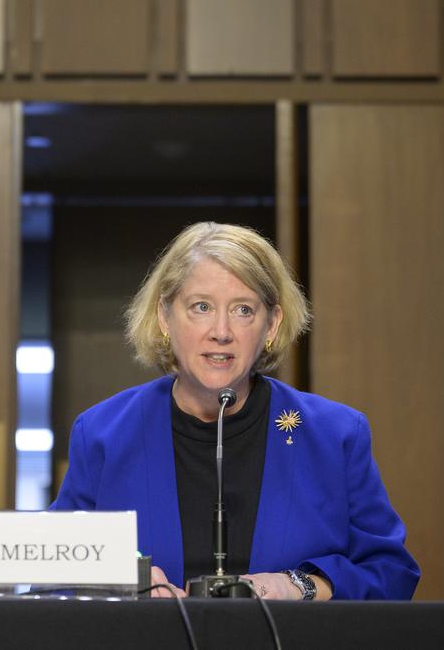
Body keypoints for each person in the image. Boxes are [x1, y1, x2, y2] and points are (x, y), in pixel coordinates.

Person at [51, 222, 419, 600]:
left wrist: (299, 586)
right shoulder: (103, 434)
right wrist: (116, 580)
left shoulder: (335, 434)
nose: (221, 331)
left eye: (243, 309)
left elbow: (392, 574)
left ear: (271, 324)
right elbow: (51, 577)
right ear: (165, 317)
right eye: (201, 307)